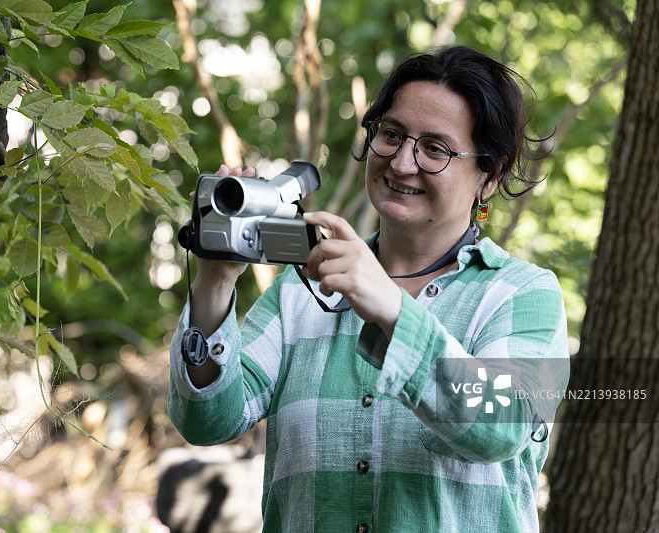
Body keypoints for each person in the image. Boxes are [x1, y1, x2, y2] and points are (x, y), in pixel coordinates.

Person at [167, 45, 569, 533]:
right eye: (392, 134)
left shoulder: (522, 295)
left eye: (436, 149)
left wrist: (393, 310)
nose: (402, 163)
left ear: (491, 175)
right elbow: (207, 422)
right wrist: (215, 280)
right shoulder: (300, 290)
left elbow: (501, 425)